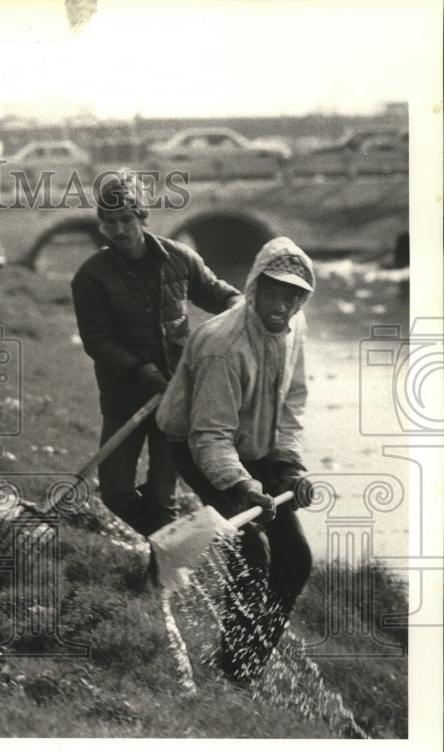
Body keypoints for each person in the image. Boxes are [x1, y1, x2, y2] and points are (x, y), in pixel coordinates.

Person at [156, 236, 318, 683]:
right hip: (198, 444)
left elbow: (292, 404)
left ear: (302, 300)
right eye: (274, 291)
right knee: (253, 546)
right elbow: (210, 437)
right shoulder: (223, 346)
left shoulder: (294, 330)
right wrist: (245, 487)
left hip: (257, 446)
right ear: (254, 287)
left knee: (297, 559)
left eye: (293, 296)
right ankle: (232, 671)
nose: (282, 305)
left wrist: (290, 468)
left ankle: (250, 661)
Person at [70, 176, 242, 535]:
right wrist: (141, 370)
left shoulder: (179, 259)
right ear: (101, 225)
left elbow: (216, 294)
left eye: (127, 220)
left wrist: (238, 306)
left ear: (142, 217)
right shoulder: (90, 277)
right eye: (110, 222)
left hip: (178, 398)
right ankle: (167, 544)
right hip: (124, 398)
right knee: (115, 492)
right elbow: (97, 341)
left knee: (163, 495)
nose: (119, 229)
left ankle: (162, 577)